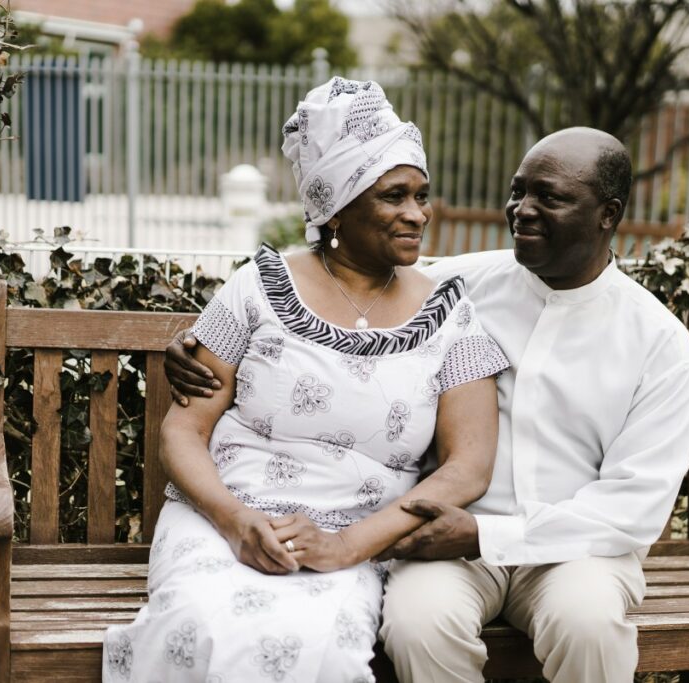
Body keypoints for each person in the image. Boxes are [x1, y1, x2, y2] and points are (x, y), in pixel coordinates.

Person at [166, 127, 689, 682]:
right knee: (419, 623)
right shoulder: (462, 284)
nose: (522, 210)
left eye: (550, 198)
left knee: (587, 624)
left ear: (607, 214)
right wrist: (188, 339)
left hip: (576, 552)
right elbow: (340, 291)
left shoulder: (657, 343)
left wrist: (487, 536)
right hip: (447, 542)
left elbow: (634, 506)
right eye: (518, 191)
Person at [103, 77, 509, 683]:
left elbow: (468, 467)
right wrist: (235, 521)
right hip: (223, 517)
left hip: (356, 533)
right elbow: (183, 431)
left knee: (322, 647)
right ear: (338, 207)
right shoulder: (257, 287)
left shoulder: (449, 313)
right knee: (200, 622)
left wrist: (349, 546)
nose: (417, 213)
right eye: (394, 196)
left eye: (422, 195)